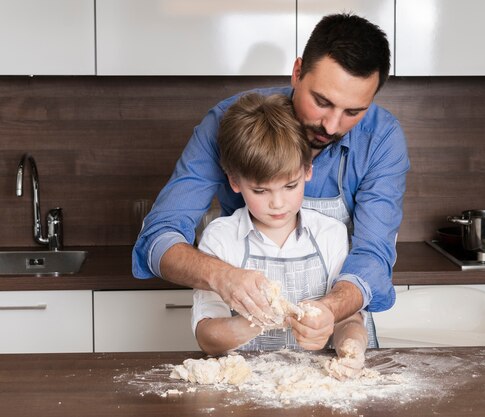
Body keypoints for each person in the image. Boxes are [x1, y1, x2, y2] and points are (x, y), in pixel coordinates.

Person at [132, 13, 410, 351]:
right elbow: (158, 238)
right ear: (296, 73)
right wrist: (223, 277)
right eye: (322, 102)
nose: (333, 126)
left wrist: (330, 311)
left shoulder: (381, 138)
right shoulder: (229, 124)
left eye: (353, 111)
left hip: (334, 333)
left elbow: (373, 255)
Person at [193, 93, 368, 377]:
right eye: (260, 191)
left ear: (308, 170)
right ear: (235, 182)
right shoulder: (221, 239)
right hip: (245, 388)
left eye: (290, 186)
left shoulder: (330, 234)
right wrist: (260, 320)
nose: (277, 203)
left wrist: (352, 346)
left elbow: (349, 321)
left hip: (317, 385)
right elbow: (207, 337)